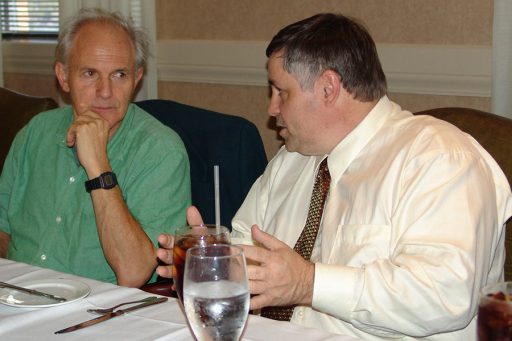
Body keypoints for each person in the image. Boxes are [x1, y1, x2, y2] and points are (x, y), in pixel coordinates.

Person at [156, 13, 512, 340]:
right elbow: (254, 258)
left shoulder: (439, 158)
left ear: (328, 88)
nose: (272, 108)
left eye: (281, 92)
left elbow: (444, 294)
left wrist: (310, 284)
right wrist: (212, 262)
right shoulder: (291, 160)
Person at [0, 8, 191, 288]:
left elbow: (133, 272)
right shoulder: (35, 132)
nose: (105, 91)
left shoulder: (161, 151)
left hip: (98, 314)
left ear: (137, 78)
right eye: (90, 73)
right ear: (63, 76)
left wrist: (98, 166)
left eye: (119, 75)